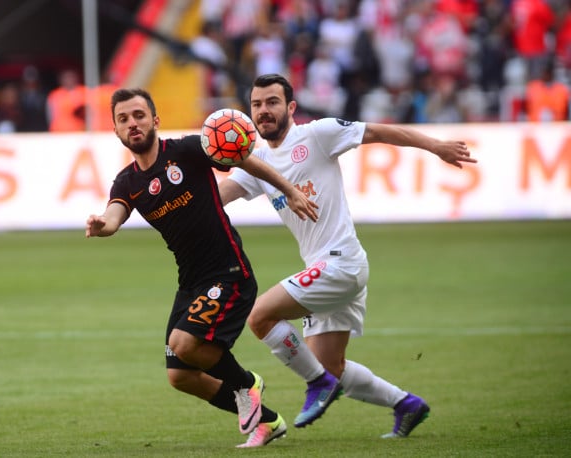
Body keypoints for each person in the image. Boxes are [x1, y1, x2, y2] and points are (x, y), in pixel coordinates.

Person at [219, 74, 477, 438]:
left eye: (272, 102)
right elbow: (219, 197)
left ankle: (318, 385)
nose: (264, 111)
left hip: (341, 263)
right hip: (325, 269)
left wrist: (436, 146)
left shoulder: (317, 135)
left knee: (260, 317)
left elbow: (379, 132)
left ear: (290, 107)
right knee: (330, 365)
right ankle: (406, 404)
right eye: (257, 104)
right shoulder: (258, 162)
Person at [85, 88, 319, 448]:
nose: (132, 123)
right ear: (115, 129)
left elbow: (244, 159)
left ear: (155, 120)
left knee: (183, 343)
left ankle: (247, 384)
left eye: (139, 115)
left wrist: (289, 190)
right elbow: (113, 218)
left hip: (229, 272)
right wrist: (102, 225)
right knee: (181, 375)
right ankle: (268, 422)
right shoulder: (127, 182)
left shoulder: (187, 150)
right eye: (123, 119)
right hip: (191, 282)